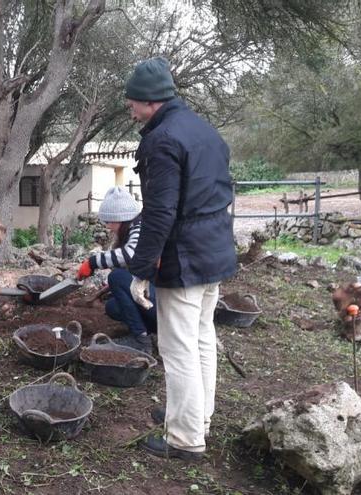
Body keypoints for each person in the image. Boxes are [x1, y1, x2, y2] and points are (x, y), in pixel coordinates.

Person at [123, 57, 237, 461]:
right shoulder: (202, 129)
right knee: (203, 337)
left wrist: (139, 270)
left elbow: (160, 212)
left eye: (133, 102)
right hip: (215, 249)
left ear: (150, 100)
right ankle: (195, 415)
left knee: (178, 348)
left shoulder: (162, 139)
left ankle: (186, 438)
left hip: (185, 257)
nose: (130, 109)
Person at [76, 187, 156, 354]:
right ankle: (149, 331)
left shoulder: (141, 228)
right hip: (153, 301)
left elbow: (128, 255)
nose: (108, 227)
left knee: (117, 277)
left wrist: (92, 262)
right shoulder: (134, 227)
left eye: (110, 222)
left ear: (122, 219)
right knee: (113, 306)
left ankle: (141, 341)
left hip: (162, 302)